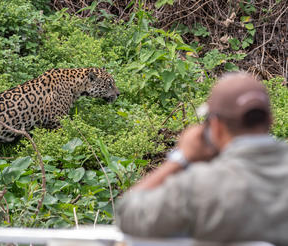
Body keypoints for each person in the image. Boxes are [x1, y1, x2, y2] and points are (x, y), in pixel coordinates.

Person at [116, 72, 288, 245]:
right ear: (271, 120)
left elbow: (129, 215)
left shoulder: (201, 184)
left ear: (216, 126)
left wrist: (181, 158)